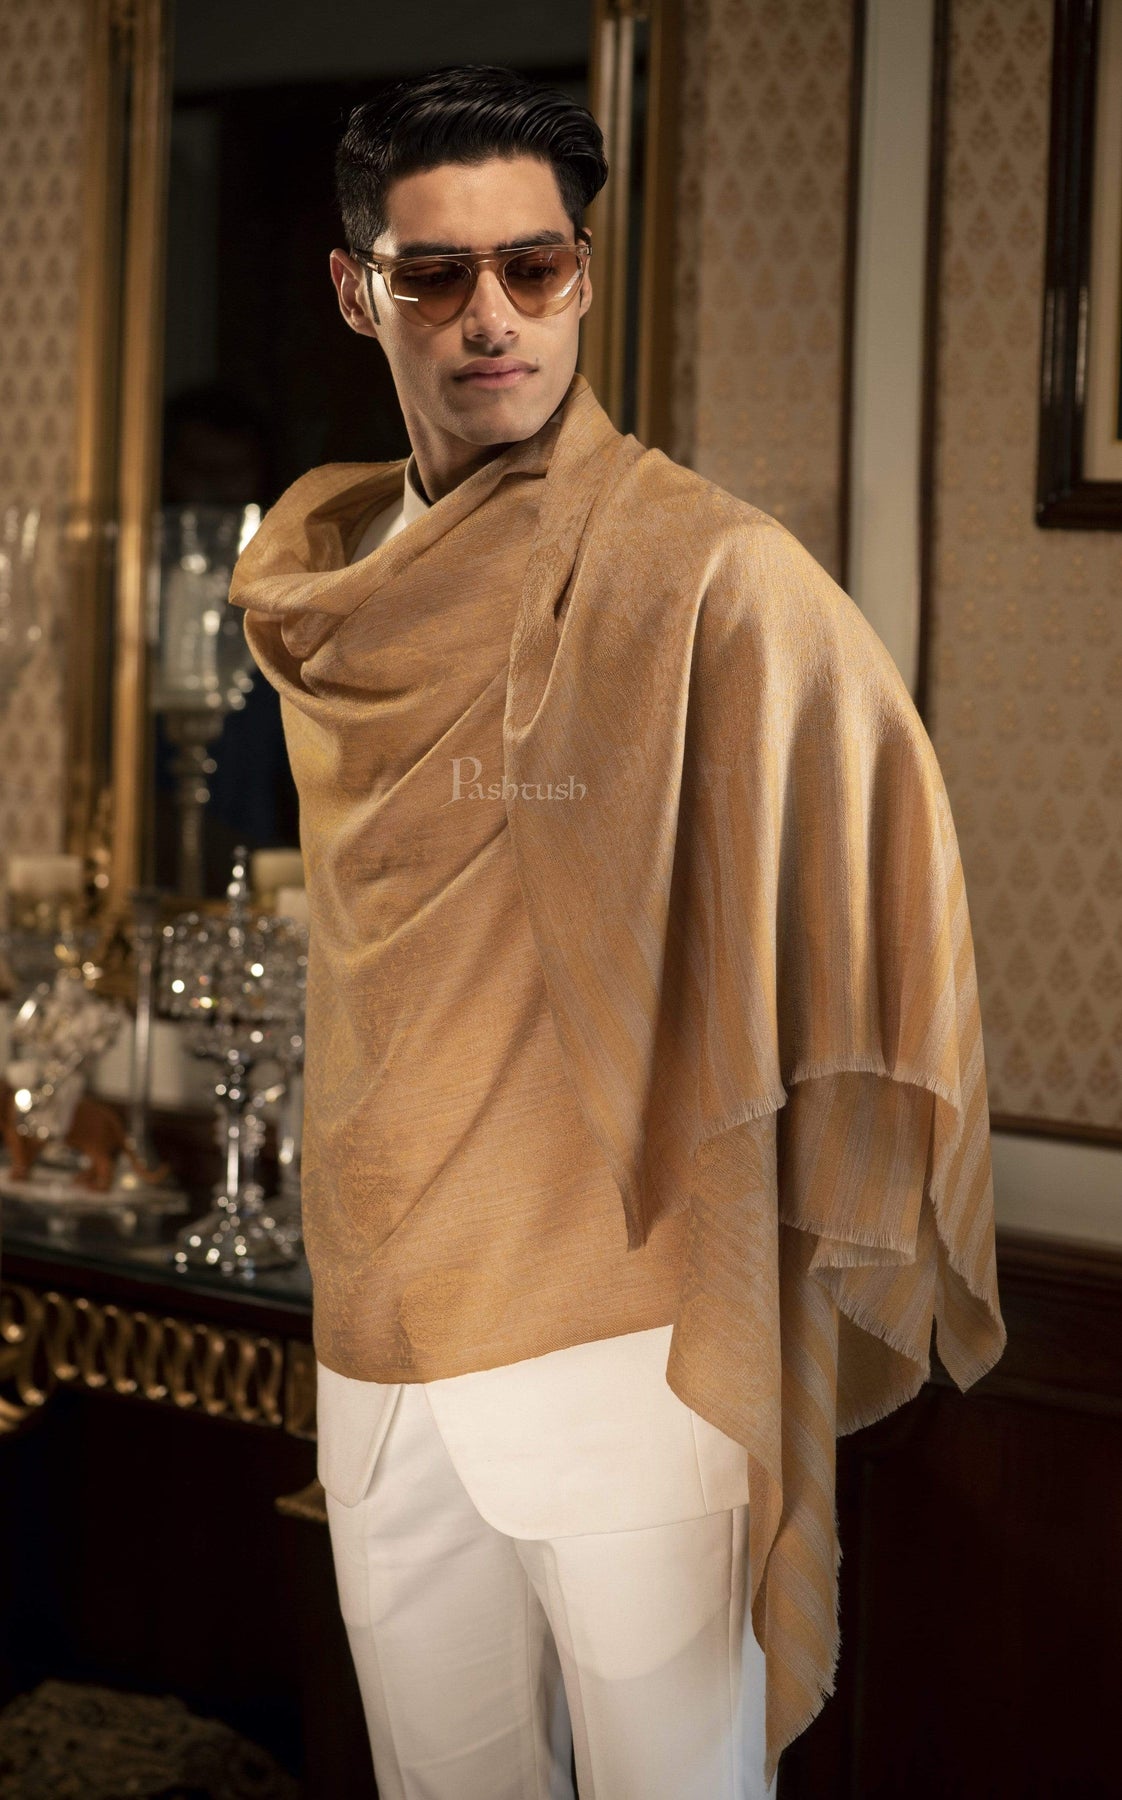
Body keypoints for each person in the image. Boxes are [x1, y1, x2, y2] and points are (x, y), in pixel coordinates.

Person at [229, 64, 1006, 1800]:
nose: (491, 316)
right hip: (379, 1322)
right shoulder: (320, 582)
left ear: (580, 276)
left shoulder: (698, 571)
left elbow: (879, 829)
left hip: (630, 1338)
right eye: (436, 274)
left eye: (535, 267)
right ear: (356, 291)